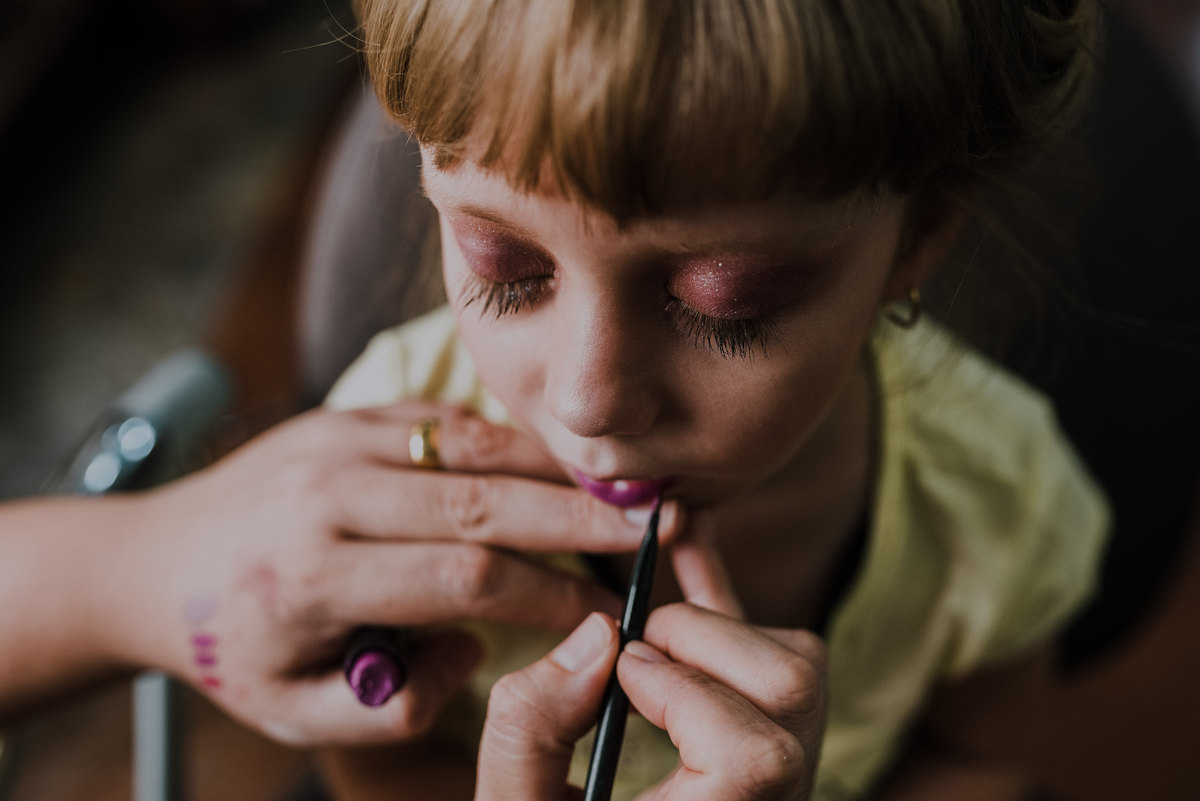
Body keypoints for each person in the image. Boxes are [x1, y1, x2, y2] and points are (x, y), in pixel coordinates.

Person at [0, 3, 1108, 801]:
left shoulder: (999, 503)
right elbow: (381, 760)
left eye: (726, 305)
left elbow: (980, 755)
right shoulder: (390, 452)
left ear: (920, 237)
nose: (589, 401)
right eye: (504, 267)